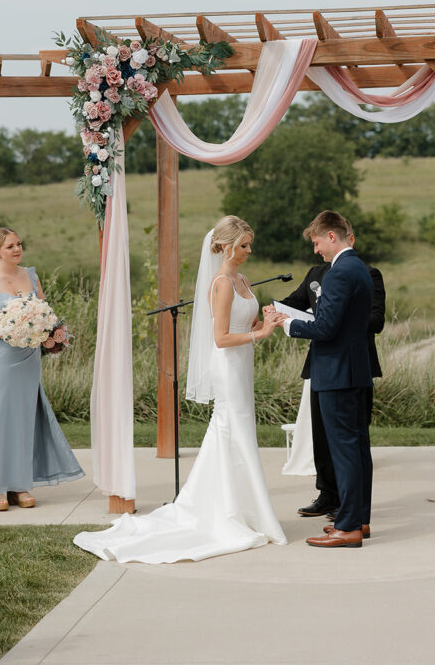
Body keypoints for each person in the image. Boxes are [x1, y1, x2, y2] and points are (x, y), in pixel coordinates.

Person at [74, 216, 286, 564]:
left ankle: (238, 507)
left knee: (237, 432)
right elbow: (220, 339)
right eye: (244, 245)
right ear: (225, 245)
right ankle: (230, 512)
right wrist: (258, 334)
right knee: (233, 428)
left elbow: (244, 325)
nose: (249, 250)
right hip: (228, 367)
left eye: (249, 244)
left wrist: (265, 322)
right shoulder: (221, 283)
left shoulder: (243, 279)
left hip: (242, 364)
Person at [266, 210, 375, 548]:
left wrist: (286, 323)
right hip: (353, 371)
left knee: (345, 452)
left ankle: (348, 528)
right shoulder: (357, 267)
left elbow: (325, 328)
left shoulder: (340, 272)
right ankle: (358, 519)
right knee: (356, 450)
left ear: (332, 236)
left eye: (316, 243)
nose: (316, 251)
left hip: (337, 374)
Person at [0, 228, 84, 510]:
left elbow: (43, 311)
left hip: (27, 360)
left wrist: (51, 333)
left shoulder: (30, 275)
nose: (17, 250)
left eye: (19, 244)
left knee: (22, 419)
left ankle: (19, 484)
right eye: (10, 247)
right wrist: (10, 331)